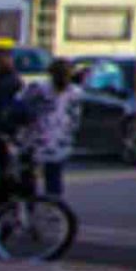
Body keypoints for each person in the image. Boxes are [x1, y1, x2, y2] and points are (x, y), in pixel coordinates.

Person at [19, 59, 82, 197]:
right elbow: (75, 118)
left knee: (31, 175)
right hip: (50, 140)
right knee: (52, 177)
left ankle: (31, 205)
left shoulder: (38, 87)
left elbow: (21, 105)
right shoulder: (73, 92)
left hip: (39, 138)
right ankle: (51, 207)